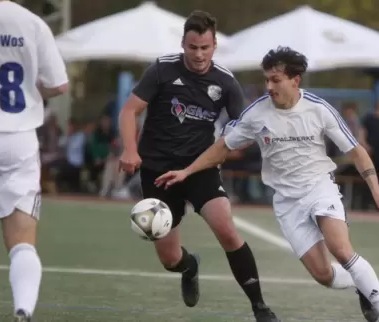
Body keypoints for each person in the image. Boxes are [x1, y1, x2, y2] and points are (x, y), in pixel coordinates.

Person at [156, 46, 379, 322]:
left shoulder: (319, 110)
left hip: (320, 188)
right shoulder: (257, 114)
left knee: (342, 250)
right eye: (267, 80)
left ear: (295, 80)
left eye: (276, 79)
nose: (269, 86)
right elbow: (223, 147)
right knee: (323, 275)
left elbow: (356, 151)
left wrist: (377, 193)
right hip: (286, 202)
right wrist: (186, 171)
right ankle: (361, 284)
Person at [118, 10, 279, 322]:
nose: (199, 54)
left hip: (199, 168)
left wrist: (239, 143)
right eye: (193, 47)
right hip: (158, 172)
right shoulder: (162, 70)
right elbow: (129, 111)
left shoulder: (226, 82)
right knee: (169, 258)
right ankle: (189, 266)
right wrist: (129, 149)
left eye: (205, 47)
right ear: (183, 44)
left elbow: (243, 128)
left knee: (227, 229)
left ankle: (260, 307)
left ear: (214, 46)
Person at [0, 1, 68, 321]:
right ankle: (23, 309)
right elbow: (59, 85)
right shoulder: (32, 23)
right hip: (17, 138)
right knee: (22, 243)